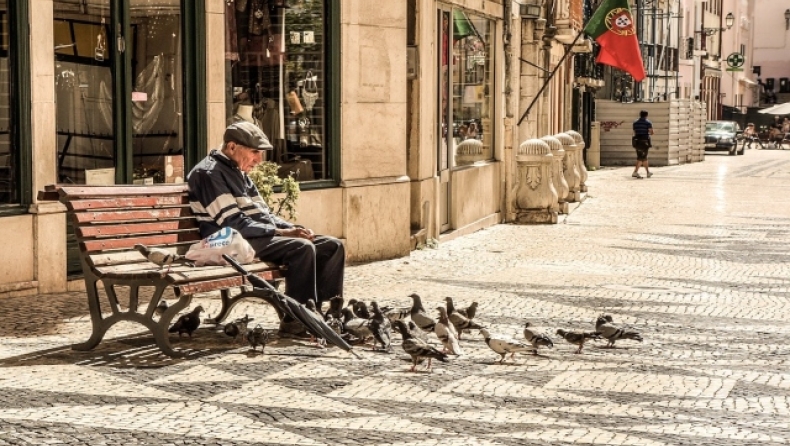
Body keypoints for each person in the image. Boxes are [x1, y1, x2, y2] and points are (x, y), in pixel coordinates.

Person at [187, 121, 345, 337]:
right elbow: (232, 222)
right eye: (254, 152)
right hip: (228, 242)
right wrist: (283, 233)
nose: (259, 160)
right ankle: (295, 320)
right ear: (232, 147)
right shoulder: (209, 173)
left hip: (249, 237)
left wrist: (292, 227)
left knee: (332, 246)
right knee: (301, 248)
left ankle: (325, 314)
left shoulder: (238, 171)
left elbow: (263, 214)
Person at [631, 110, 654, 179]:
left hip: (637, 141)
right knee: (641, 157)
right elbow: (651, 132)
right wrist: (649, 132)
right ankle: (635, 172)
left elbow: (634, 132)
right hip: (644, 142)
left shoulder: (635, 122)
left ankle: (648, 172)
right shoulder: (648, 122)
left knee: (643, 157)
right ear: (646, 115)